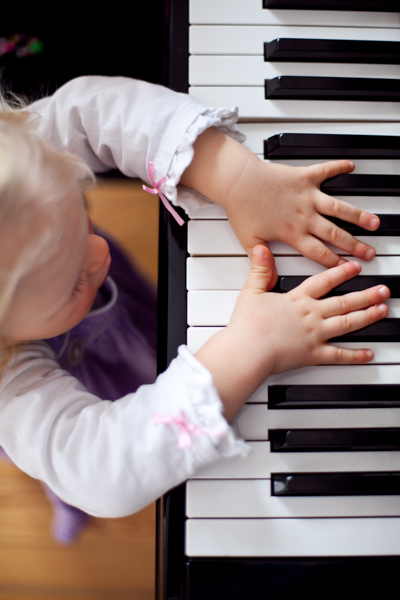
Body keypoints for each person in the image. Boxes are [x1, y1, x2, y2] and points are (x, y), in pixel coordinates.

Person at [0, 76, 390, 543]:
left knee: (151, 327)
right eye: (71, 284)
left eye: (82, 212)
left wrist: (237, 177)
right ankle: (61, 503)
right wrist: (250, 347)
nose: (100, 252)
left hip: (123, 319)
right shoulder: (12, 394)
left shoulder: (17, 161)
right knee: (55, 469)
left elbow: (91, 110)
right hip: (83, 387)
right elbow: (100, 469)